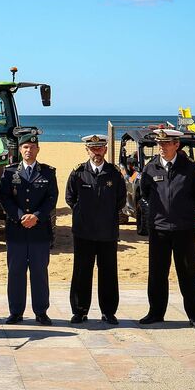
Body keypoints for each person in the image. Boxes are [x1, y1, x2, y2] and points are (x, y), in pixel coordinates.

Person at [139, 129, 195, 329]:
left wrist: (185, 211)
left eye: (166, 143)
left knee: (188, 273)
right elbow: (144, 193)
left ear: (176, 145)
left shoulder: (190, 168)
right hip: (158, 228)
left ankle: (194, 316)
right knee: (157, 273)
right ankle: (156, 312)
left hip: (183, 229)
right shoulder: (150, 168)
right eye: (159, 143)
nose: (161, 147)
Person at [65, 134, 126, 325]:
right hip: (83, 232)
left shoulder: (114, 174)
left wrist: (105, 215)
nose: (96, 152)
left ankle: (108, 312)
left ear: (105, 150)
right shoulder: (78, 173)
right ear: (87, 150)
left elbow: (120, 201)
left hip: (107, 232)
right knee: (81, 272)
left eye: (99, 148)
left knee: (108, 272)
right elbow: (70, 198)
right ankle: (80, 311)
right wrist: (83, 214)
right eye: (93, 148)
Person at [0, 133, 58, 325]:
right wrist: (20, 216)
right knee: (15, 272)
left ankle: (41, 312)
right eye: (25, 147)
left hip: (39, 230)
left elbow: (51, 198)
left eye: (32, 147)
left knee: (39, 272)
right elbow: (5, 198)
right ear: (20, 149)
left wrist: (36, 216)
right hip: (16, 230)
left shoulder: (48, 172)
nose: (29, 150)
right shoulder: (10, 172)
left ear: (38, 150)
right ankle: (16, 312)